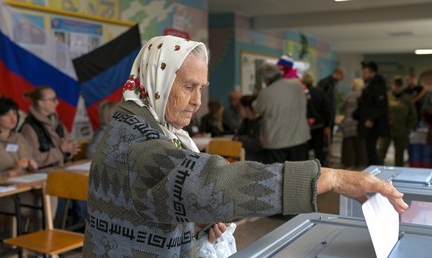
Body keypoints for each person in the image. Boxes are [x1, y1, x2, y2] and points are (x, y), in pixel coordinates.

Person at [83, 35, 408, 257]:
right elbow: (214, 183)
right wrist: (334, 179)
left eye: (202, 87)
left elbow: (152, 201)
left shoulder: (141, 125)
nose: (198, 101)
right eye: (188, 87)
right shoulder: (138, 145)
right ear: (158, 80)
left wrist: (197, 222)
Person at [254, 62, 310, 163]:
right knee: (299, 174)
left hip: (276, 141)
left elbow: (257, 109)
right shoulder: (297, 84)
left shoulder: (265, 93)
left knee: (277, 175)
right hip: (299, 138)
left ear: (265, 78)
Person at [20, 86, 80, 168]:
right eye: (53, 100)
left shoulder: (58, 123)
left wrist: (69, 150)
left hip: (60, 171)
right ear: (40, 103)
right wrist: (60, 150)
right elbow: (32, 159)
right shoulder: (29, 127)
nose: (57, 102)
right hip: (40, 176)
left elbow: (66, 151)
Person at [352, 61, 389, 166]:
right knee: (369, 149)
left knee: (372, 150)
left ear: (373, 73)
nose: (363, 75)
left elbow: (379, 105)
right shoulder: (369, 85)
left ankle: (375, 172)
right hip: (367, 123)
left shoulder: (378, 85)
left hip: (373, 125)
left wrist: (371, 119)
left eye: (366, 72)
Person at [378, 77, 417, 166]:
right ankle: (377, 171)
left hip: (401, 130)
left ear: (402, 87)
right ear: (392, 85)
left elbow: (413, 114)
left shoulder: (407, 99)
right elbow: (380, 111)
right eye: (395, 85)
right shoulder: (386, 97)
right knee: (381, 151)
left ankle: (399, 173)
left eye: (399, 86)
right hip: (386, 129)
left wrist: (409, 127)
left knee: (399, 154)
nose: (397, 87)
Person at [302, 73, 331, 166]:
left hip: (305, 126)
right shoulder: (320, 92)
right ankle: (320, 169)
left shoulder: (301, 92)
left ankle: (305, 171)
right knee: (319, 150)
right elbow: (326, 109)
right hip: (319, 125)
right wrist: (327, 125)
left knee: (304, 150)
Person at [340, 79, 367, 169]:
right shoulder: (364, 95)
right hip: (359, 123)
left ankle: (350, 164)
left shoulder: (348, 96)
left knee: (349, 146)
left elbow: (342, 107)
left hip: (348, 123)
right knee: (360, 145)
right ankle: (361, 164)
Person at [234, 95, 264, 162]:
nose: (239, 111)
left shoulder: (261, 123)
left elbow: (257, 145)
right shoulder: (245, 121)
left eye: (240, 108)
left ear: (247, 108)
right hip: (244, 156)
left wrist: (241, 138)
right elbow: (236, 136)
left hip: (256, 160)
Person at [317, 68, 345, 134]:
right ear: (338, 74)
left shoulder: (332, 83)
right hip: (326, 114)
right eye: (342, 76)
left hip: (329, 114)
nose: (342, 79)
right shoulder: (326, 83)